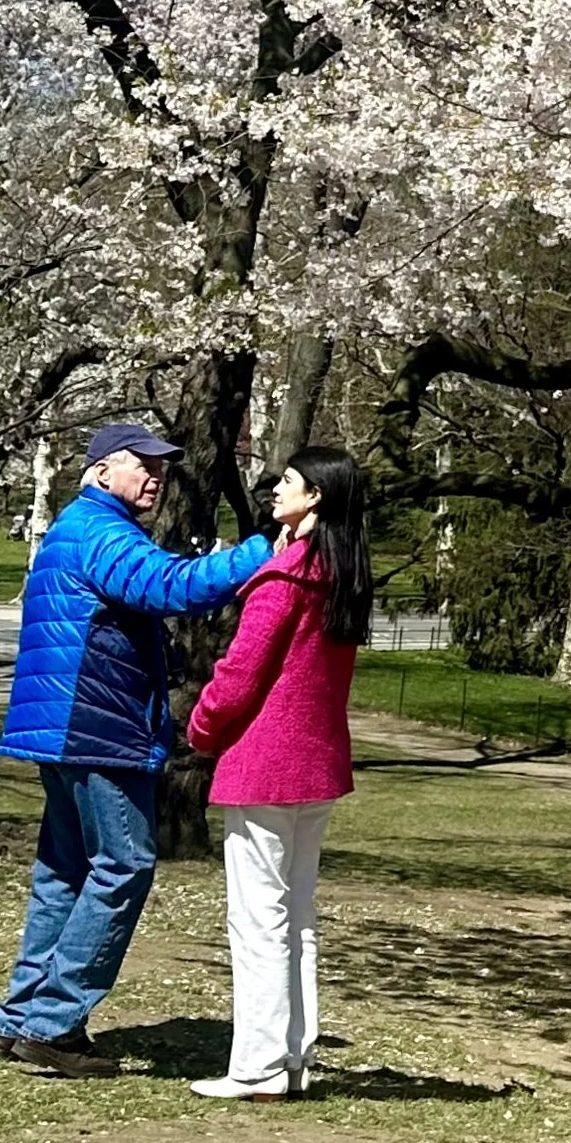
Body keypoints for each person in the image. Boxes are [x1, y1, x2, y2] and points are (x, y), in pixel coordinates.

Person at [0, 419, 273, 1077]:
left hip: (63, 727)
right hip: (96, 725)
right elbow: (172, 587)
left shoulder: (74, 528)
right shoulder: (100, 531)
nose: (156, 476)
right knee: (125, 863)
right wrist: (261, 552)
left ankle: (21, 1017)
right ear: (99, 472)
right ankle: (54, 1024)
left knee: (65, 873)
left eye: (161, 467)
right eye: (141, 464)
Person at [184, 443, 370, 1099]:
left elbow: (239, 675)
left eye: (287, 481)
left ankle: (258, 1066)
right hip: (316, 764)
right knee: (297, 914)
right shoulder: (342, 575)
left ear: (315, 495)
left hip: (264, 763)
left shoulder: (285, 578)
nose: (275, 490)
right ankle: (292, 1057)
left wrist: (201, 727)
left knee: (259, 918)